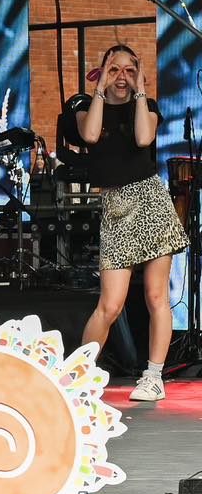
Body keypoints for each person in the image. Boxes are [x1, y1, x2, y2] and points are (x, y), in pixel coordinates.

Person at [76, 44, 188, 402]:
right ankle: (79, 376)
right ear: (101, 72)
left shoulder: (147, 106)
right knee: (110, 304)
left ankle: (153, 377)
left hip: (151, 201)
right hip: (116, 208)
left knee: (156, 295)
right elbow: (90, 135)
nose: (121, 77)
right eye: (114, 69)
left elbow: (143, 138)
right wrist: (100, 88)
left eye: (129, 70)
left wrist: (140, 91)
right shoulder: (84, 106)